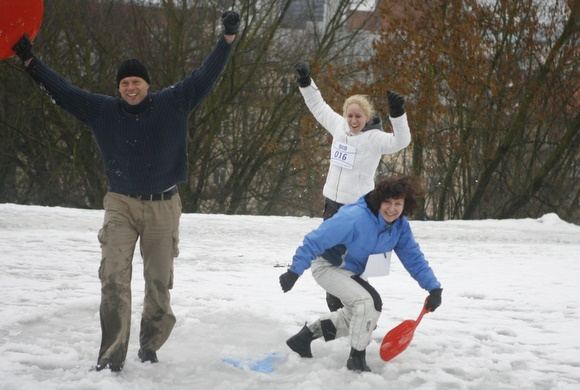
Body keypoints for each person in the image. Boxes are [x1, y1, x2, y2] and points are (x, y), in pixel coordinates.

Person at [11, 11, 241, 372]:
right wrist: (30, 62)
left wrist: (226, 39)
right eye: (124, 83)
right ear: (118, 88)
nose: (130, 88)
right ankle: (111, 355)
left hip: (164, 204)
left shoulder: (174, 102)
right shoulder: (103, 111)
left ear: (147, 84)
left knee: (158, 283)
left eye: (136, 81)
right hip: (120, 202)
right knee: (113, 277)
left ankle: (150, 345)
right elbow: (64, 92)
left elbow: (206, 75)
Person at [279, 176, 442, 372]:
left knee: (359, 315)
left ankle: (303, 338)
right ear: (379, 201)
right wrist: (294, 271)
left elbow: (413, 258)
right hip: (327, 266)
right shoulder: (354, 218)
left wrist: (433, 288)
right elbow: (315, 240)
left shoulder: (400, 226)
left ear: (405, 204)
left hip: (352, 270)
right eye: (387, 202)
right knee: (368, 304)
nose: (392, 209)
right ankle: (356, 359)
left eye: (398, 203)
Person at [294, 62, 412, 312]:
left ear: (366, 118)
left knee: (352, 260)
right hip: (332, 205)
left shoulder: (374, 139)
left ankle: (361, 303)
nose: (353, 120)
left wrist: (397, 113)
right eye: (350, 115)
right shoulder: (339, 127)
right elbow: (318, 106)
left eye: (358, 116)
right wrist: (306, 82)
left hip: (356, 209)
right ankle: (338, 306)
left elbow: (402, 140)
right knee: (328, 258)